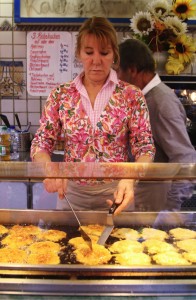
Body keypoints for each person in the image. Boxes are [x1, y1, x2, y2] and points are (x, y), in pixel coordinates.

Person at [30, 17, 155, 215]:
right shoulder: (61, 95)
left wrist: (130, 178)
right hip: (71, 195)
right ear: (79, 53)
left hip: (117, 195)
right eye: (89, 52)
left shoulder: (132, 95)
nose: (96, 60)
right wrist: (51, 170)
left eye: (104, 53)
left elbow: (145, 147)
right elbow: (41, 143)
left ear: (114, 54)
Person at [118, 38, 196, 211]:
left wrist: (170, 209)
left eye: (117, 72)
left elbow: (186, 158)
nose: (116, 80)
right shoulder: (142, 99)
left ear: (132, 70)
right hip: (140, 201)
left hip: (155, 205)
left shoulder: (161, 102)